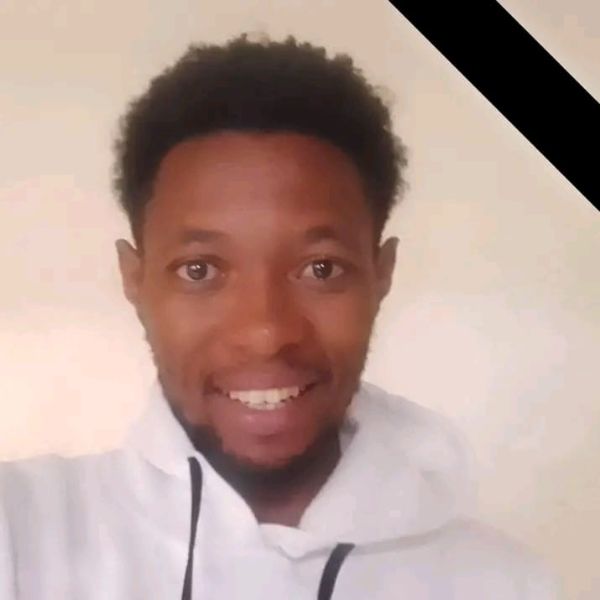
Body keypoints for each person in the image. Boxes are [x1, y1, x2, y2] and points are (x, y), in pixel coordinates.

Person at [0, 34, 559, 599]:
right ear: (134, 278)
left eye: (321, 268)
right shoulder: (22, 535)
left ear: (381, 273)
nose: (265, 333)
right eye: (199, 270)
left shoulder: (505, 585)